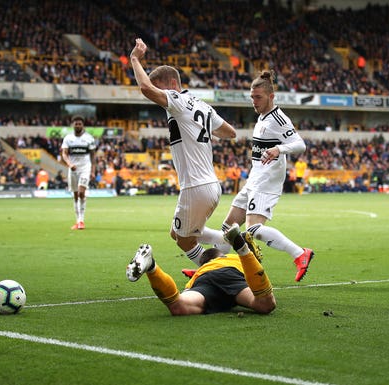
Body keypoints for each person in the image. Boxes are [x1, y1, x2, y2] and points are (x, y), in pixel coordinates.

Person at [129, 38, 237, 264]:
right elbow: (230, 132)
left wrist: (134, 59)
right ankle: (231, 240)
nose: (160, 96)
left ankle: (214, 271)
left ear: (170, 84)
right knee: (176, 233)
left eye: (161, 88)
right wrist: (203, 128)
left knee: (183, 240)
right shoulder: (202, 105)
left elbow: (145, 88)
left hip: (195, 186)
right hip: (211, 185)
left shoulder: (177, 100)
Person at [219, 71, 313, 282]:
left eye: (258, 97)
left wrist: (279, 149)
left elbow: (300, 145)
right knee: (229, 227)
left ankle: (300, 254)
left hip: (267, 182)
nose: (254, 101)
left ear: (271, 96)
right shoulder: (262, 117)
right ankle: (212, 268)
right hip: (255, 179)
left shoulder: (278, 118)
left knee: (252, 230)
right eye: (252, 97)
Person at [126, 223, 275, 315]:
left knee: (179, 306)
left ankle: (152, 267)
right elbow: (255, 271)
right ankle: (241, 249)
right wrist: (248, 254)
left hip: (203, 281)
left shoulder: (201, 270)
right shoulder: (231, 259)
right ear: (220, 255)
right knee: (265, 304)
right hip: (231, 273)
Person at [61, 115, 96, 230]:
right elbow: (64, 154)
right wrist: (69, 164)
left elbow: (93, 156)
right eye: (76, 124)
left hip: (85, 168)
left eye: (80, 124)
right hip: (73, 168)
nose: (78, 125)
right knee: (75, 195)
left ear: (83, 125)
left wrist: (93, 171)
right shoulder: (68, 138)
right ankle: (77, 221)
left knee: (82, 192)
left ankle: (81, 221)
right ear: (73, 125)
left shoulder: (89, 138)